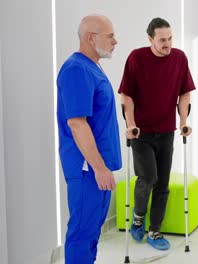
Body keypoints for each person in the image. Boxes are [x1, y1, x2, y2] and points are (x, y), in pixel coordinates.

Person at [119, 17, 195, 251]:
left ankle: (155, 231)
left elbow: (185, 93)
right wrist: (130, 124)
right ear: (150, 39)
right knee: (148, 178)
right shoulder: (136, 57)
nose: (167, 43)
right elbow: (126, 95)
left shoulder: (180, 58)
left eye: (170, 38)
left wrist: (183, 121)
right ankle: (139, 217)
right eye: (162, 40)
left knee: (162, 183)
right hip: (141, 132)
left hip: (166, 131)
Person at [56, 15, 120, 264]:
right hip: (88, 170)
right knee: (82, 233)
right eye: (110, 35)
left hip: (97, 168)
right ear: (91, 38)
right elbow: (77, 123)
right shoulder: (76, 69)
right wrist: (99, 168)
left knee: (92, 232)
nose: (116, 41)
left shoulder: (92, 67)